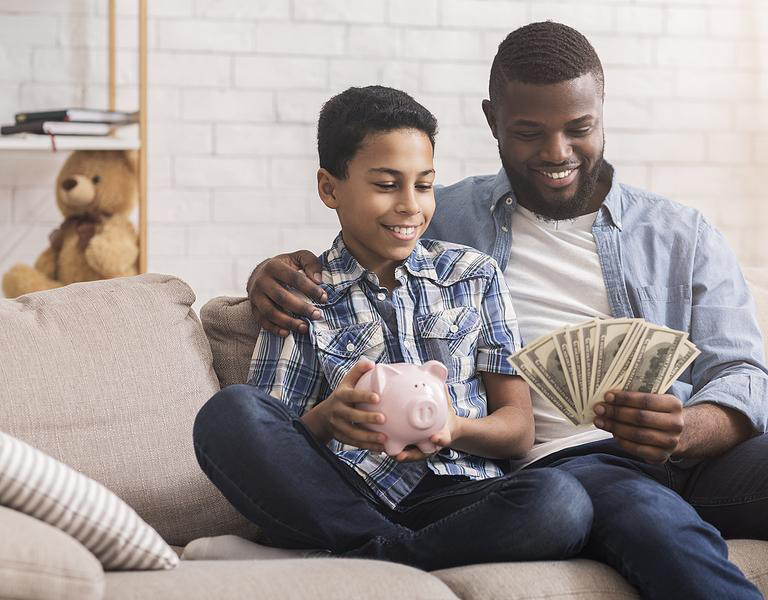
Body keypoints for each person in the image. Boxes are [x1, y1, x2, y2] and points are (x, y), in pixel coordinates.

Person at [246, 22, 768, 600]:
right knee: (655, 523)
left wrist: (689, 426)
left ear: (601, 112)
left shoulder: (682, 233)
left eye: (579, 129)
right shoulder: (442, 216)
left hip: (700, 453)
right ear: (492, 119)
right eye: (529, 132)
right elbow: (355, 239)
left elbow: (749, 376)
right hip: (568, 461)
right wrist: (270, 273)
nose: (557, 153)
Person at [192, 85, 593, 572]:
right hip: (345, 494)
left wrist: (454, 428)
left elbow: (518, 430)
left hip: (460, 499)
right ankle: (381, 548)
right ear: (329, 188)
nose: (410, 205)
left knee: (562, 501)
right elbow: (272, 438)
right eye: (386, 185)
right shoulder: (302, 292)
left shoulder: (472, 275)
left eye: (423, 185)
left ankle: (361, 555)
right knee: (228, 412)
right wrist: (327, 419)